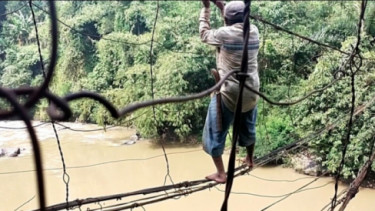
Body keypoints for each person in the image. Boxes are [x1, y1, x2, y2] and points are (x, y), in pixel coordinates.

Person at [199, 0, 260, 183]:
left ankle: (221, 173)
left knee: (214, 130)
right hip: (252, 92)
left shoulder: (224, 34)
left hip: (229, 94)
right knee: (248, 127)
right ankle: (250, 159)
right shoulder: (254, 30)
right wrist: (222, 7)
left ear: (226, 19)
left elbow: (204, 34)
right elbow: (233, 22)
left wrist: (207, 8)